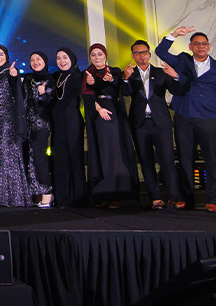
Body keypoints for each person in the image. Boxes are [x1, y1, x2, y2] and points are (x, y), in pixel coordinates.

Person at [156, 26, 216, 211]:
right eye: (197, 44)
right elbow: (161, 52)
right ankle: (186, 199)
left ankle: (213, 200)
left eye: (204, 44)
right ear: (190, 46)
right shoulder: (182, 61)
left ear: (209, 46)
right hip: (184, 117)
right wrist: (174, 35)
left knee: (212, 160)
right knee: (185, 160)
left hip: (210, 120)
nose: (201, 46)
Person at [123, 39, 183, 209]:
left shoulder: (161, 72)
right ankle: (156, 198)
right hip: (140, 124)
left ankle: (173, 197)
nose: (141, 56)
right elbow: (125, 92)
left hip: (161, 123)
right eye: (137, 53)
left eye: (144, 52)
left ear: (149, 54)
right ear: (133, 56)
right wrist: (125, 79)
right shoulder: (129, 73)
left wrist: (175, 76)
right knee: (146, 161)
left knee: (167, 161)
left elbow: (177, 90)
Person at [82, 43, 138, 207]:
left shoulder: (114, 71)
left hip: (114, 113)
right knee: (102, 152)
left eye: (100, 54)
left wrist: (116, 79)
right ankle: (102, 193)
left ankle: (117, 193)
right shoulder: (87, 74)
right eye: (93, 55)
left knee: (116, 151)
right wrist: (98, 108)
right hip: (97, 114)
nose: (97, 57)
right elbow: (86, 95)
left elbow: (125, 91)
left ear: (105, 55)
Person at [0, 45, 32, 207]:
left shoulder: (11, 72)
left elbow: (18, 93)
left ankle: (13, 197)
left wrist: (14, 76)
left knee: (7, 154)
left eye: (1, 54)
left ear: (6, 56)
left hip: (8, 121)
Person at [50, 47, 88, 207]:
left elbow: (87, 95)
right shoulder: (56, 77)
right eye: (58, 58)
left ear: (72, 59)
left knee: (74, 157)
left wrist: (98, 108)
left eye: (65, 57)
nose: (62, 61)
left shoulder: (78, 77)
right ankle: (62, 198)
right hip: (57, 123)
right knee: (59, 158)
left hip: (72, 122)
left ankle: (77, 197)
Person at [21, 51, 55, 208]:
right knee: (29, 158)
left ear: (45, 61)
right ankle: (34, 192)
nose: (35, 62)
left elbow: (49, 103)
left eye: (38, 59)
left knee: (40, 157)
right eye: (32, 59)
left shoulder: (50, 79)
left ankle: (47, 193)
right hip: (27, 124)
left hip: (41, 124)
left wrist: (43, 94)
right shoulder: (28, 79)